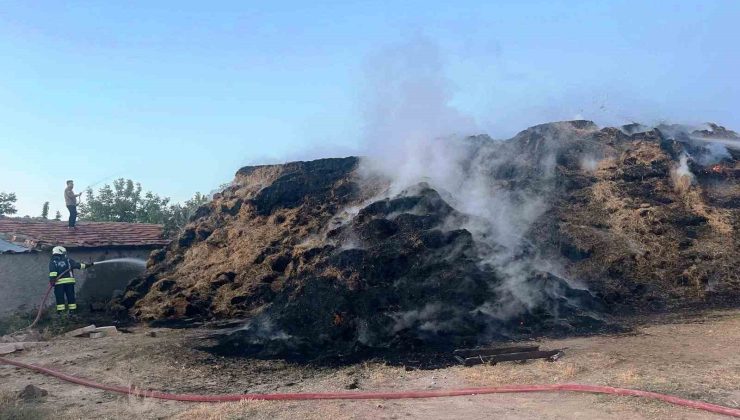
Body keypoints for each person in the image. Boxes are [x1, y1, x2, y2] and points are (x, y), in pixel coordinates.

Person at [48, 246, 94, 315]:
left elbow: (53, 272)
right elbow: (78, 265)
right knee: (71, 297)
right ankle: (72, 312)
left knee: (59, 297)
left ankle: (61, 314)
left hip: (59, 283)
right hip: (69, 282)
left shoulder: (53, 261)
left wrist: (52, 280)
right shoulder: (68, 260)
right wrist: (87, 265)